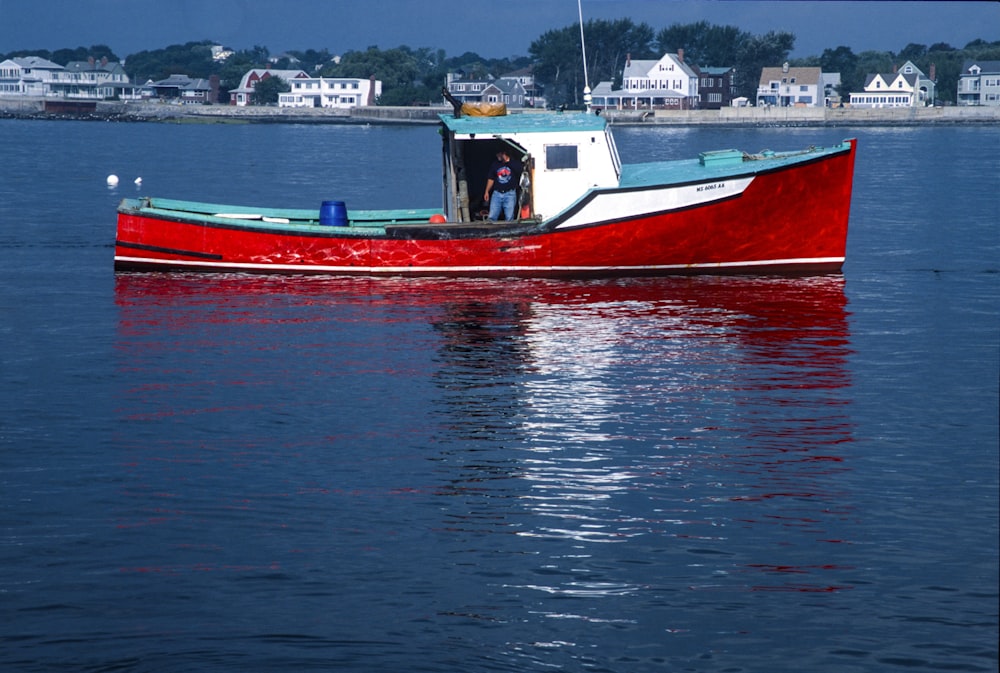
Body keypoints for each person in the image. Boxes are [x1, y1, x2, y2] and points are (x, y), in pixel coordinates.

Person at [484, 149, 521, 221]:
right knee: (492, 216)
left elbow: (520, 171)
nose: (497, 156)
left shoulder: (514, 163)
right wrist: (487, 191)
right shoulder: (495, 164)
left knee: (509, 217)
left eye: (498, 154)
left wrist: (507, 162)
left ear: (504, 153)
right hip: (497, 193)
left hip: (510, 193)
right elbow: (491, 178)